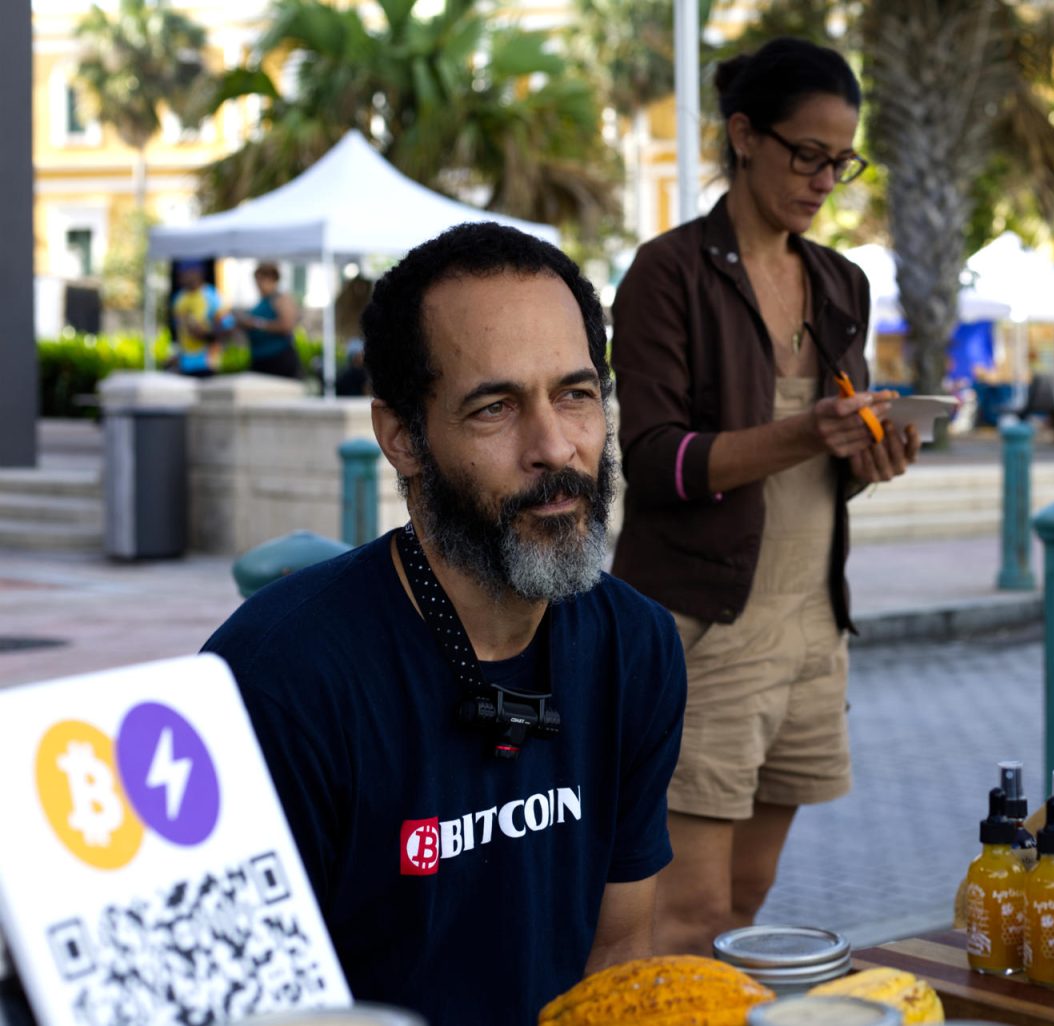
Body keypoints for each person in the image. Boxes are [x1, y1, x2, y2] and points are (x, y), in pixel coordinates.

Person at [202, 223, 686, 1026]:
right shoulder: (275, 682)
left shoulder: (635, 647)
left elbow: (618, 954)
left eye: (575, 394)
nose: (556, 447)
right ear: (401, 438)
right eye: (495, 408)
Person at [609, 36, 920, 955]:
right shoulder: (668, 274)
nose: (826, 179)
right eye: (808, 154)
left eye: (842, 161)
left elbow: (823, 460)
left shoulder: (838, 281)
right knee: (684, 913)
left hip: (811, 626)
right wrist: (804, 433)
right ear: (745, 135)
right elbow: (655, 461)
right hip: (704, 626)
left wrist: (872, 453)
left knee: (745, 903)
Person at [235, 261, 302, 379]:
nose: (258, 284)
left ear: (272, 279)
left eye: (262, 280)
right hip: (260, 359)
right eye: (257, 280)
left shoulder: (280, 299)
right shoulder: (262, 301)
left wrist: (256, 324)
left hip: (278, 359)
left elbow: (287, 326)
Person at [169, 263, 230, 377]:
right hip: (184, 364)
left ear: (197, 273)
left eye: (187, 272)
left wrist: (205, 335)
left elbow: (226, 327)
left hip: (207, 363)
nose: (183, 276)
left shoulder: (211, 295)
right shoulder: (179, 298)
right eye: (181, 273)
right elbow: (178, 331)